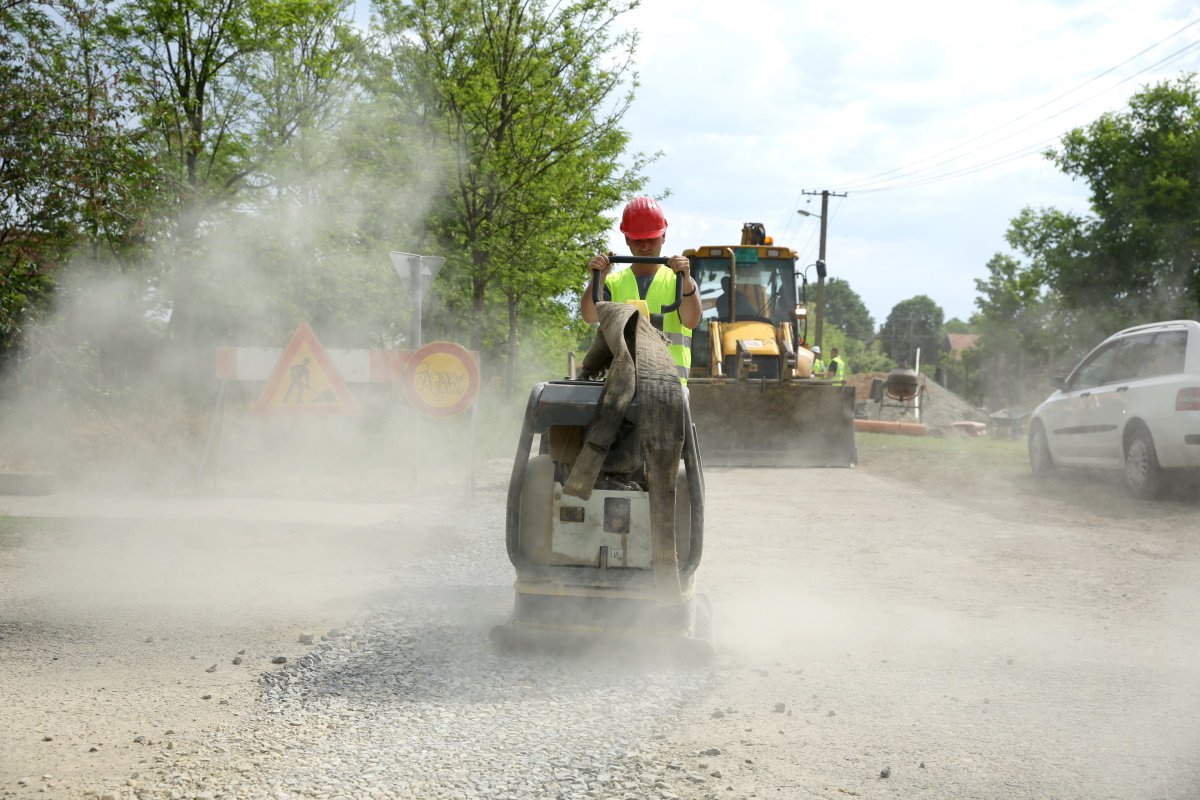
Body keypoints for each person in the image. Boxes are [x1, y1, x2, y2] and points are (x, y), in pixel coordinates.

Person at [582, 197, 702, 383]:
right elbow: (590, 316)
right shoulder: (611, 282)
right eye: (638, 240)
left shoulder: (681, 281)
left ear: (663, 236)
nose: (645, 246)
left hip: (669, 386)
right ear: (627, 239)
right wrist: (598, 278)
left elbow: (691, 320)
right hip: (621, 385)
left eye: (651, 239)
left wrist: (685, 280)